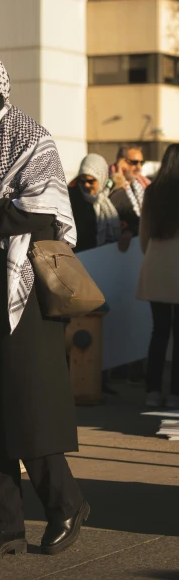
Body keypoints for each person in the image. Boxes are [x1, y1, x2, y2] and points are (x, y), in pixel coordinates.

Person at [0, 50, 88, 559]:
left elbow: (42, 211)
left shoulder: (31, 136)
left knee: (25, 404)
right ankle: (5, 524)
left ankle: (65, 503)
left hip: (20, 293)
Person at [137, 143, 179, 409]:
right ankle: (176, 394)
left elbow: (144, 235)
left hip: (157, 266)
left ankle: (152, 390)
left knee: (159, 331)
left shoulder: (152, 192)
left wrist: (151, 256)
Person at [68, 153, 120, 253]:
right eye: (81, 181)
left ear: (101, 177)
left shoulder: (113, 195)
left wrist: (129, 231)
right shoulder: (72, 199)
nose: (86, 185)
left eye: (90, 181)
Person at [109, 144, 148, 251]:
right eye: (134, 162)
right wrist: (118, 177)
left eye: (141, 162)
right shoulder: (110, 184)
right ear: (122, 162)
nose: (139, 167)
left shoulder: (144, 184)